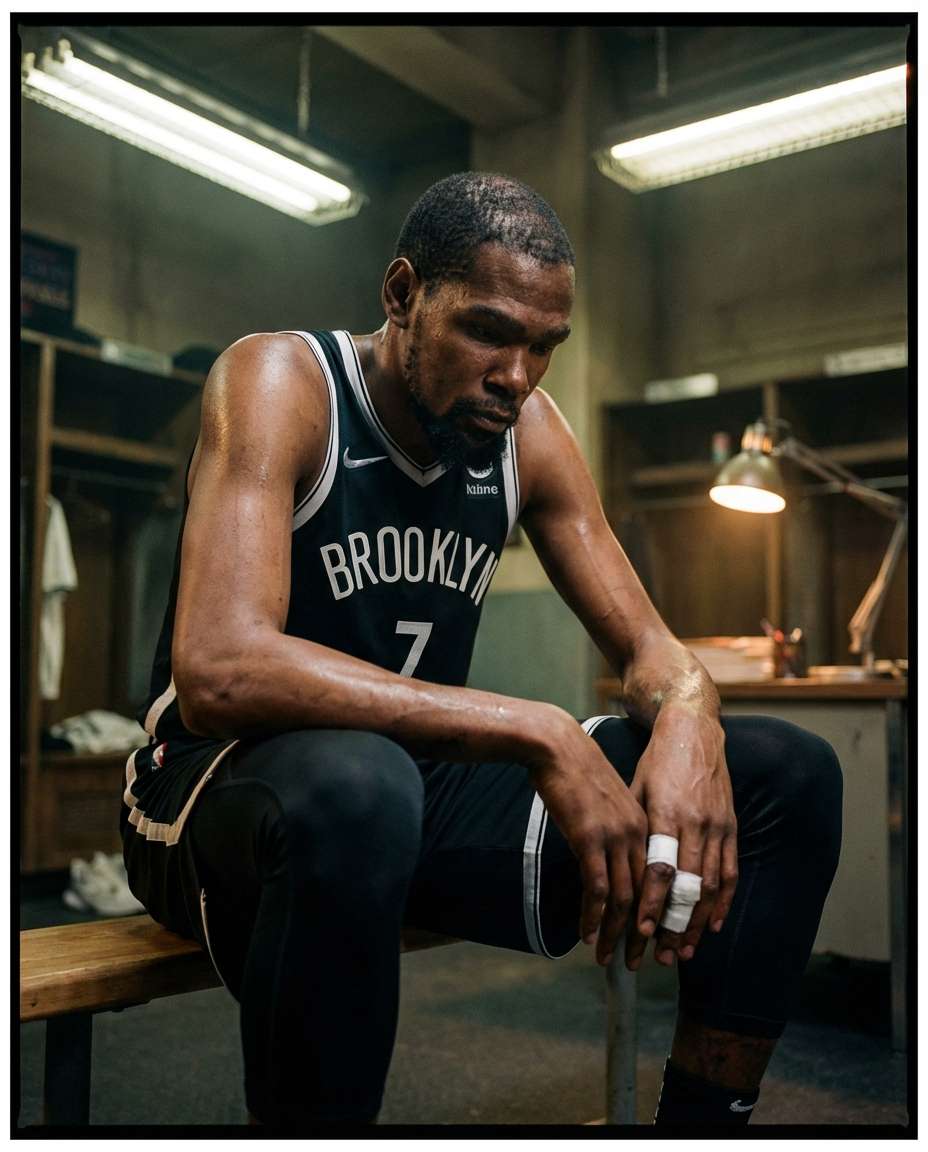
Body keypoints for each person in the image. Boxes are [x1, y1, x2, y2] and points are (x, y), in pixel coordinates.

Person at [121, 172, 842, 1128]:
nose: (518, 374)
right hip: (213, 788)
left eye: (545, 346)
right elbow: (220, 667)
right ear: (402, 293)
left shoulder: (528, 432)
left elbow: (656, 652)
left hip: (410, 794)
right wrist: (537, 729)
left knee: (787, 771)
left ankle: (702, 1127)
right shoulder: (282, 382)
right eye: (489, 332)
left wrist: (690, 719)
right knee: (358, 785)